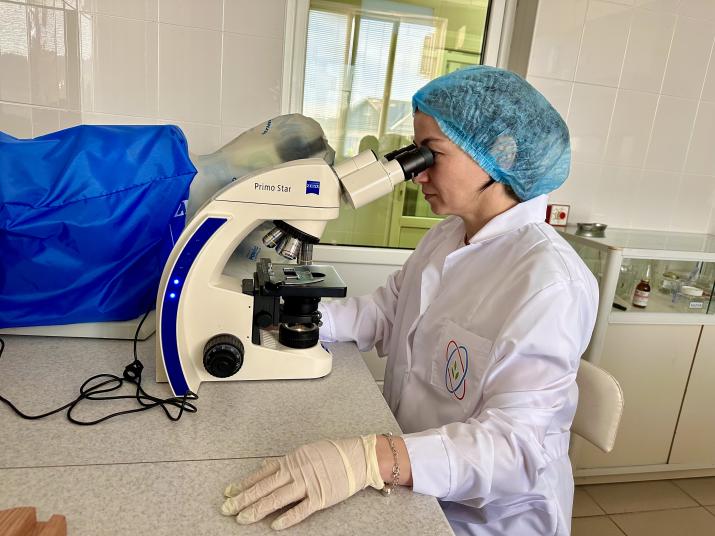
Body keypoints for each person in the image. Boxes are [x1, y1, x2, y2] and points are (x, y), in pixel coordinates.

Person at [220, 66, 599, 535]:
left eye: (430, 153)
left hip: (485, 517)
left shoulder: (549, 283)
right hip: (413, 477)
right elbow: (384, 312)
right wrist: (279, 321)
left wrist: (371, 458)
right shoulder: (446, 236)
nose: (416, 174)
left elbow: (514, 448)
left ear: (499, 154)